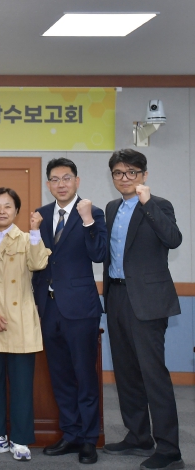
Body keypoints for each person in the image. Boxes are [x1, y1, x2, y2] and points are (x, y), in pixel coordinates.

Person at [102, 149, 184, 470]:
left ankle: (169, 448)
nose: (125, 178)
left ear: (144, 175)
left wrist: (147, 204)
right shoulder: (111, 208)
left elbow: (173, 239)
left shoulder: (159, 204)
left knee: (153, 375)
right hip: (117, 296)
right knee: (126, 373)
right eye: (118, 173)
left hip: (148, 300)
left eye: (132, 172)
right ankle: (138, 436)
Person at [32, 157, 107, 465]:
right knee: (60, 376)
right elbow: (36, 262)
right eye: (55, 179)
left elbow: (99, 254)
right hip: (49, 309)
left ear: (77, 181)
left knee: (84, 376)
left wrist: (87, 221)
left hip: (80, 308)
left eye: (66, 178)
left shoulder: (93, 212)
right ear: (48, 184)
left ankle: (89, 439)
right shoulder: (42, 214)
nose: (61, 184)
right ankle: (71, 433)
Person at [0, 188, 49, 462]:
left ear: (16, 211)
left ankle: (20, 439)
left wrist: (36, 231)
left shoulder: (28, 239)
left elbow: (38, 263)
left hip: (20, 321)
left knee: (22, 385)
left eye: (8, 206)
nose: (2, 211)